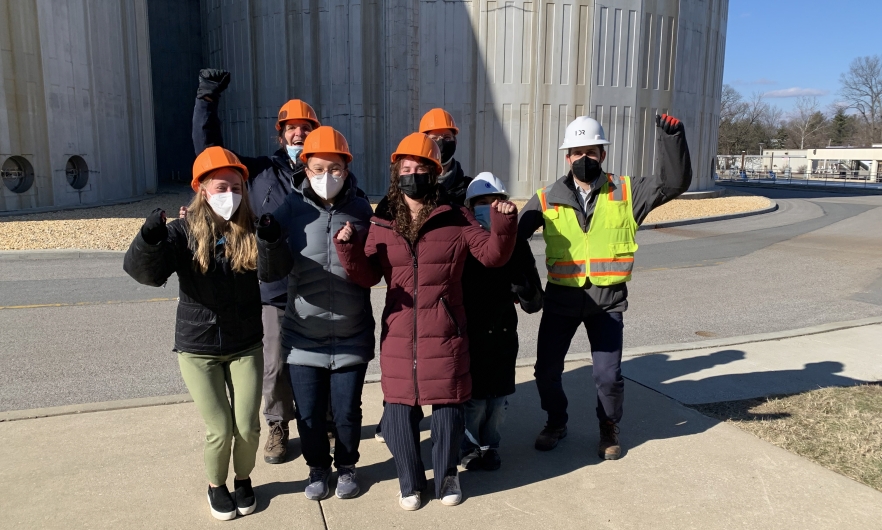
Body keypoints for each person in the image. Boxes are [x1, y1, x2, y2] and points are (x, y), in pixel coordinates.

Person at [334, 133, 518, 511]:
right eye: (406, 168)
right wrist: (348, 247)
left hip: (446, 330)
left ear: (434, 174)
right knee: (400, 409)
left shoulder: (454, 217)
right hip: (400, 331)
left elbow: (492, 255)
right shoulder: (383, 220)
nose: (413, 174)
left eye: (421, 168)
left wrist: (503, 223)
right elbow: (367, 275)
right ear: (395, 173)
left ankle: (448, 475)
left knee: (448, 406)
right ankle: (410, 482)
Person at [518, 114, 692, 458]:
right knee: (546, 371)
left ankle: (608, 428)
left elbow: (673, 183)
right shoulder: (545, 197)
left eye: (592, 151)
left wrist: (671, 139)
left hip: (607, 303)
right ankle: (556, 422)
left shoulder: (628, 192)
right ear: (567, 157)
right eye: (577, 152)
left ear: (603, 154)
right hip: (561, 300)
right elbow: (510, 238)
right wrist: (524, 286)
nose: (585, 158)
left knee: (608, 377)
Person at [123, 147, 262, 521]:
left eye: (236, 186)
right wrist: (148, 240)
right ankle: (217, 486)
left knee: (247, 426)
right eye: (221, 186)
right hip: (198, 348)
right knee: (220, 428)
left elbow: (278, 270)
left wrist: (275, 240)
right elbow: (146, 274)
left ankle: (243, 479)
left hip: (245, 343)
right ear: (202, 189)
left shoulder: (252, 228)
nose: (230, 194)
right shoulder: (182, 232)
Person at [192, 69, 320, 464]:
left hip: (318, 283)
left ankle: (324, 420)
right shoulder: (262, 171)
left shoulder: (326, 171)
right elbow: (208, 152)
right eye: (291, 128)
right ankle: (279, 425)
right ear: (280, 133)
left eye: (305, 128)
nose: (298, 135)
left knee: (319, 357)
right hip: (274, 288)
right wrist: (206, 100)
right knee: (275, 364)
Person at [255, 126, 374, 501]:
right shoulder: (289, 208)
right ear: (305, 168)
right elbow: (270, 272)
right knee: (307, 415)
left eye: (336, 168)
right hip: (303, 337)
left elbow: (374, 270)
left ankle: (348, 465)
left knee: (346, 414)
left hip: (351, 333)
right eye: (319, 168)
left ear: (347, 168)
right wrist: (269, 239)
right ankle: (317, 468)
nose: (328, 177)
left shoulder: (360, 208)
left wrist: (355, 248)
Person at [458, 172, 544, 472]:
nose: (490, 208)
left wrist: (520, 283)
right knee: (474, 402)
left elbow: (534, 302)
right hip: (470, 337)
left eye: (496, 201)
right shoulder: (463, 243)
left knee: (497, 404)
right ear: (470, 207)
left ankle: (490, 446)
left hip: (503, 338)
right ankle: (468, 447)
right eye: (482, 202)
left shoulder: (518, 245)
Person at [419, 108, 472, 206]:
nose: (441, 143)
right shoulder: (414, 186)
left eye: (447, 137)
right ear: (424, 144)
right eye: (434, 139)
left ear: (455, 142)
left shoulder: (470, 188)